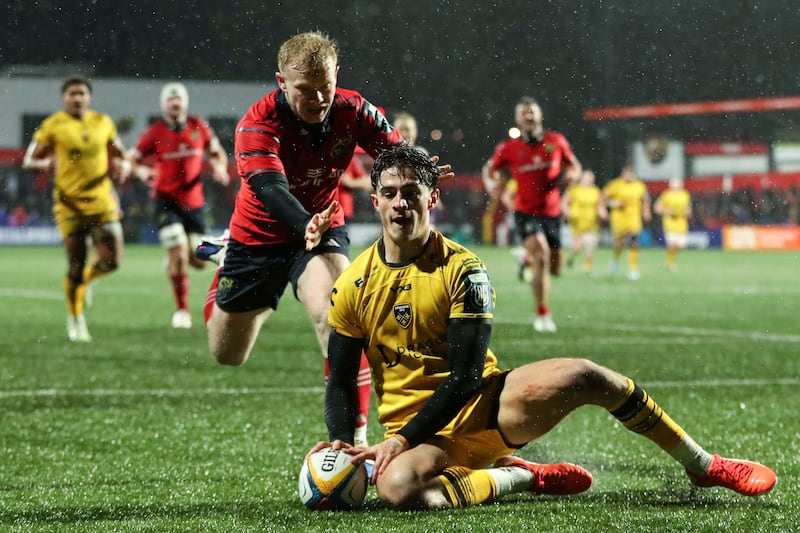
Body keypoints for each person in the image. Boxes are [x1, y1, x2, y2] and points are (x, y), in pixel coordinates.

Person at [314, 145, 777, 511]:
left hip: (489, 405)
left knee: (587, 375)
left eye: (412, 192)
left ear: (431, 198)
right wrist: (342, 441)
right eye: (391, 193)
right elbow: (339, 378)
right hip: (422, 434)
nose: (401, 203)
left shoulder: (464, 269)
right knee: (399, 490)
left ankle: (703, 464)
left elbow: (467, 377)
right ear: (374, 201)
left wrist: (396, 441)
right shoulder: (353, 283)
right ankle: (519, 476)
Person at [198, 31, 418, 448]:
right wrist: (304, 224)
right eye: (305, 90)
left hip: (320, 230)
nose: (318, 99)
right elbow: (270, 189)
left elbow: (393, 152)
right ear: (281, 83)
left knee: (337, 313)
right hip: (257, 237)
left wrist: (419, 170)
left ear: (338, 76)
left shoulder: (354, 109)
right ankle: (225, 255)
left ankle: (352, 441)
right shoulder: (257, 124)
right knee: (228, 354)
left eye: (326, 88)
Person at [22, 75, 130, 342]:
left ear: (89, 97)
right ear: (64, 98)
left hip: (102, 201)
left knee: (113, 261)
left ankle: (88, 280)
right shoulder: (53, 125)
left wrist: (125, 165)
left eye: (82, 93)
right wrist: (44, 165)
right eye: (72, 93)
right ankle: (76, 318)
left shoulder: (102, 122)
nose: (77, 98)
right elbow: (28, 160)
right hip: (69, 203)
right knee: (75, 264)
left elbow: (120, 154)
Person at [126, 82, 231, 329]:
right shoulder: (154, 132)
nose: (175, 104)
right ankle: (182, 310)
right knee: (178, 249)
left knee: (198, 259)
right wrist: (142, 172)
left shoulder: (199, 127)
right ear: (164, 105)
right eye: (170, 100)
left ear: (184, 103)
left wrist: (218, 167)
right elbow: (132, 160)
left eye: (179, 100)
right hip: (165, 201)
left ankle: (178, 258)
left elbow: (216, 153)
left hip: (194, 204)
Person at [482, 96, 581, 333]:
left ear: (540, 116)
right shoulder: (509, 148)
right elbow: (489, 169)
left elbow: (574, 166)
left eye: (532, 112)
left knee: (554, 268)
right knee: (543, 257)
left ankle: (525, 258)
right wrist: (490, 184)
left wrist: (573, 175)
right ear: (517, 119)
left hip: (552, 213)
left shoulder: (555, 141)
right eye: (524, 113)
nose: (528, 116)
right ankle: (543, 314)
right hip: (525, 211)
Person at [599, 164, 652, 280]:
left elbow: (645, 199)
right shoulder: (615, 185)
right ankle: (615, 259)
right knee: (619, 243)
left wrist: (646, 211)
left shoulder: (639, 186)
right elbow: (602, 200)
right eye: (626, 173)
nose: (628, 176)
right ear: (623, 174)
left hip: (634, 218)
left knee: (634, 240)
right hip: (618, 218)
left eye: (631, 173)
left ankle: (633, 268)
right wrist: (612, 204)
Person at [561, 169, 601, 274]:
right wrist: (567, 212)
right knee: (578, 245)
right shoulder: (574, 190)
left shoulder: (595, 191)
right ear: (582, 178)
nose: (589, 180)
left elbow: (599, 205)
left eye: (591, 178)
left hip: (592, 222)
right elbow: (564, 202)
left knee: (591, 245)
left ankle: (587, 268)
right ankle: (570, 258)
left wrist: (602, 213)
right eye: (587, 178)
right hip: (577, 221)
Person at [654, 177, 692, 271]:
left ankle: (670, 258)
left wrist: (687, 212)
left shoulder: (685, 194)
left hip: (681, 223)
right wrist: (666, 211)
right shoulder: (666, 195)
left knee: (681, 246)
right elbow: (657, 208)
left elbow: (688, 209)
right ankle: (670, 262)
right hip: (669, 222)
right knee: (671, 244)